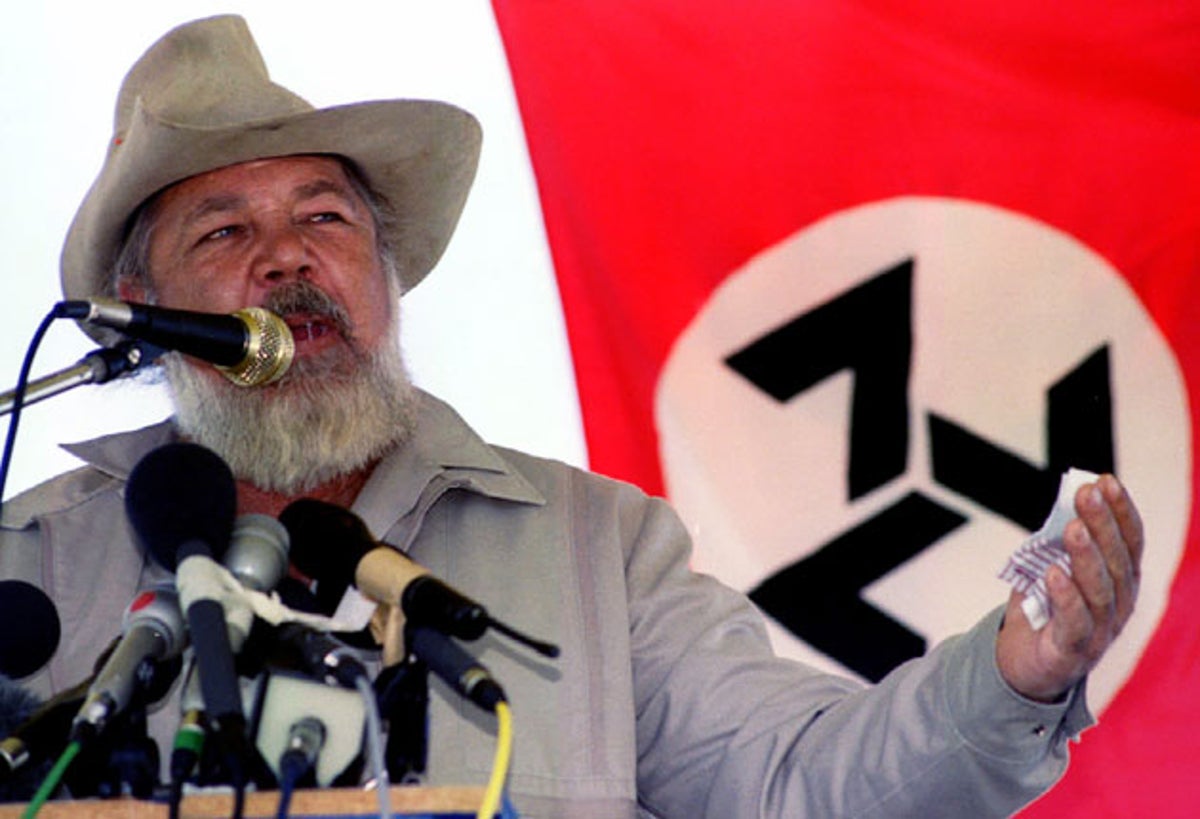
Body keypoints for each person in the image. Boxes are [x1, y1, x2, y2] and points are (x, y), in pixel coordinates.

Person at [0, 14, 1143, 818]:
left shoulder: (599, 550)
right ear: (142, 316)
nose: (288, 257)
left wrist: (1016, 674)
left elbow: (806, 786)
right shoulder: (34, 564)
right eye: (223, 233)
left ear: (386, 281)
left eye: (325, 218)